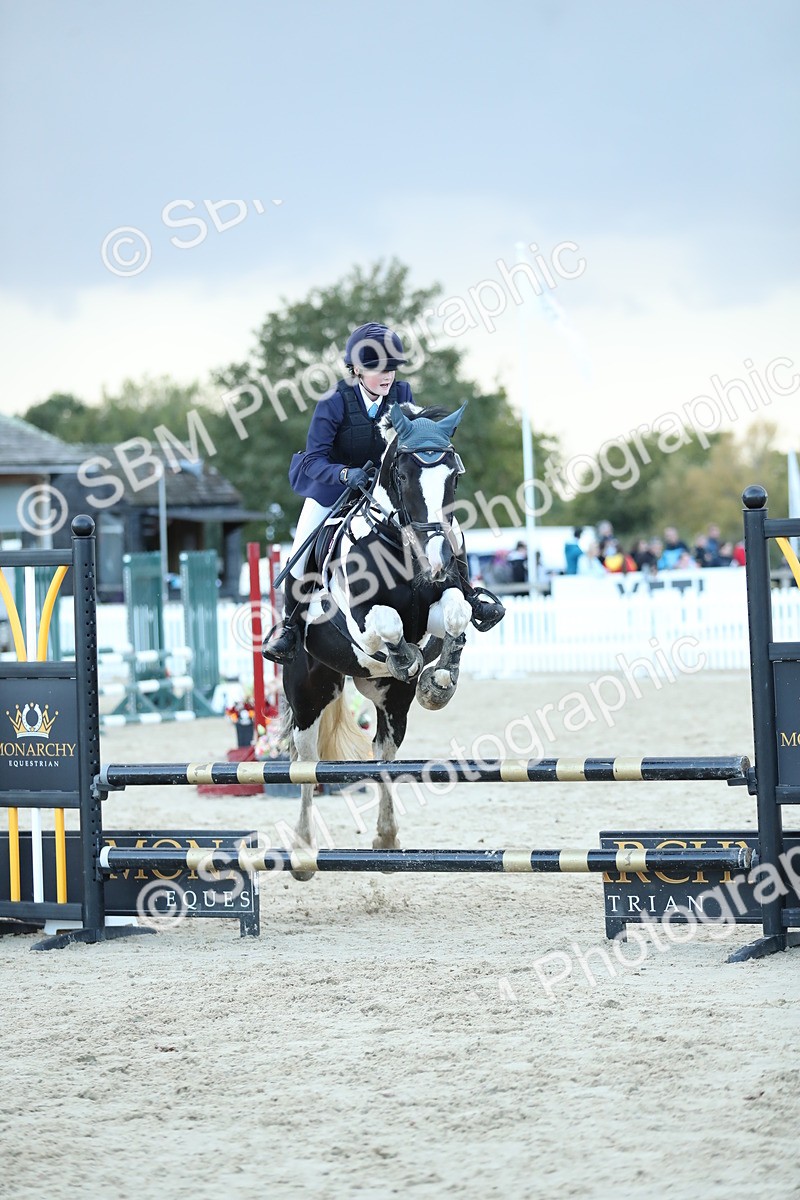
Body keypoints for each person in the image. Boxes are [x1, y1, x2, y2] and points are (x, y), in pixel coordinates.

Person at [263, 322, 505, 662]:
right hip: (333, 488)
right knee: (301, 553)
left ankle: (469, 594)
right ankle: (290, 628)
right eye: (378, 368)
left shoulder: (401, 394)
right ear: (357, 369)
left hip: (385, 489)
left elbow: (414, 438)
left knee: (442, 527)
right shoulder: (334, 402)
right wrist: (346, 473)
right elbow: (314, 459)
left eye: (391, 367)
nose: (387, 375)